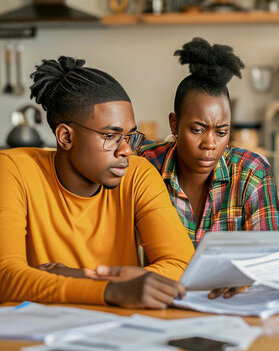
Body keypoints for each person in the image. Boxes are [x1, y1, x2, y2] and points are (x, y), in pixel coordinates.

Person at [0, 56, 195, 309]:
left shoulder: (137, 175)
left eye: (129, 137)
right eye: (111, 136)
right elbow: (6, 277)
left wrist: (78, 275)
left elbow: (182, 266)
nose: (127, 150)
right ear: (66, 137)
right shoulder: (13, 170)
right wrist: (111, 290)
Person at [138, 37, 279, 249]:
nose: (210, 144)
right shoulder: (147, 166)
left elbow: (269, 256)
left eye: (221, 131)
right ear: (174, 123)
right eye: (197, 130)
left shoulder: (251, 173)